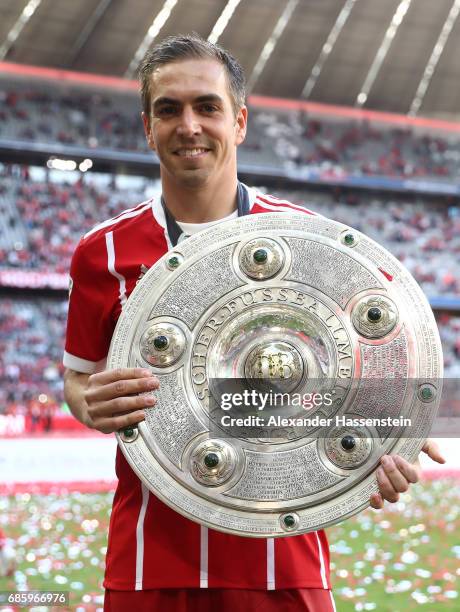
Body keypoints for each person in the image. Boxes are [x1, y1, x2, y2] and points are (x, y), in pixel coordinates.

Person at [63, 34, 445, 612]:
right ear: (148, 127)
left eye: (207, 107)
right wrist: (90, 404)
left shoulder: (312, 245)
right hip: (149, 563)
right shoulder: (103, 253)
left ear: (239, 121)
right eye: (169, 110)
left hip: (285, 561)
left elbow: (364, 379)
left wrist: (388, 441)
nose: (188, 125)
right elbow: (78, 380)